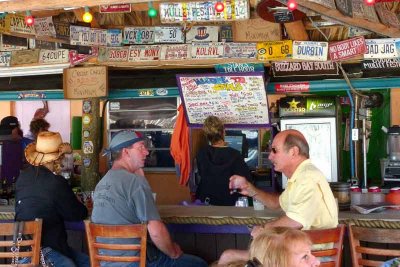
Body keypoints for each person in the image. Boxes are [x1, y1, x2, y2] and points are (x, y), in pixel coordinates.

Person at [218, 129, 338, 265]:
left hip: (309, 258)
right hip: (294, 253)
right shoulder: (301, 177)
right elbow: (276, 203)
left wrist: (264, 229)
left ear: (293, 152)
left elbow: (296, 221)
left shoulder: (307, 178)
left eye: (275, 150)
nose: (270, 156)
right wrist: (249, 188)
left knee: (229, 257)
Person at [91, 130, 208, 267]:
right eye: (141, 147)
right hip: (136, 262)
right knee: (199, 264)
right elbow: (155, 231)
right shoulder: (135, 182)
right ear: (126, 152)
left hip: (106, 263)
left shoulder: (102, 183)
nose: (146, 152)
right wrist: (173, 253)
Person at [15, 131, 89, 267]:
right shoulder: (56, 182)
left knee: (87, 262)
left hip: (24, 252)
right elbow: (78, 214)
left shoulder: (22, 178)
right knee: (88, 262)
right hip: (49, 251)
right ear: (57, 159)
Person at [193, 115, 251, 205]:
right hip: (229, 203)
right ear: (223, 132)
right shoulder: (235, 155)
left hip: (205, 202)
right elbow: (247, 180)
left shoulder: (201, 154)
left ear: (206, 135)